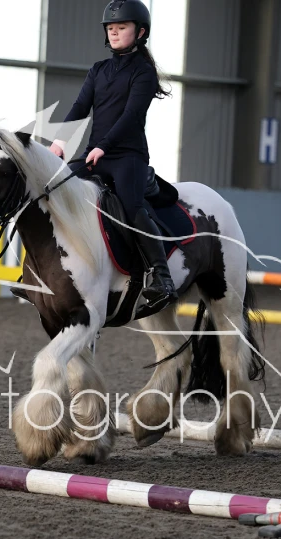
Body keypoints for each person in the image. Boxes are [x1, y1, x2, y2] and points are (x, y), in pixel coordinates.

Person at [49, 0, 178, 308]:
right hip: (94, 154)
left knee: (132, 206)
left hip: (128, 157)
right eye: (111, 28)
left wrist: (103, 146)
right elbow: (80, 107)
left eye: (122, 27)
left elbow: (131, 116)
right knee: (55, 191)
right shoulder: (98, 70)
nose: (115, 32)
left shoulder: (144, 73)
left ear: (140, 32)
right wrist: (60, 142)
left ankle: (162, 277)